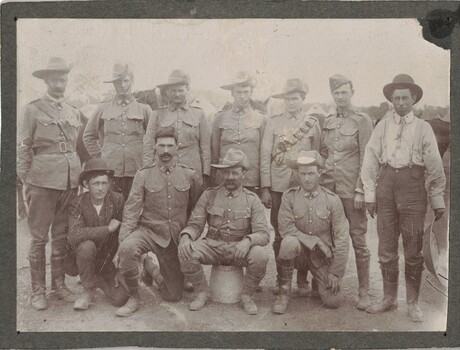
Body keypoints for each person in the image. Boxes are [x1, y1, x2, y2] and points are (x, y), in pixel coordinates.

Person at [361, 74, 446, 322]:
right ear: (390, 100)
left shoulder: (423, 128)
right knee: (386, 247)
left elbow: (434, 164)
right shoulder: (382, 126)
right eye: (396, 98)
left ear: (414, 99)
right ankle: (388, 300)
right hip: (386, 186)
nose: (400, 103)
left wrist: (437, 198)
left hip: (412, 188)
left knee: (412, 248)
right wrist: (369, 194)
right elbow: (370, 159)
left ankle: (412, 303)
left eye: (404, 98)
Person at [113, 127, 203, 317]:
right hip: (148, 231)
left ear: (177, 148)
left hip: (174, 237)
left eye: (170, 146)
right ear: (154, 147)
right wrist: (122, 244)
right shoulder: (143, 175)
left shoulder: (190, 175)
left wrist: (188, 235)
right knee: (128, 248)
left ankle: (150, 267)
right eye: (161, 146)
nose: (165, 151)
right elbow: (131, 210)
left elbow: (195, 212)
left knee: (172, 295)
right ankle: (134, 296)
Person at [17, 57, 83, 310]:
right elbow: (22, 146)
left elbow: (76, 146)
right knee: (38, 238)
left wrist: (77, 176)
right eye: (55, 79)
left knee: (61, 235)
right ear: (46, 81)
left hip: (69, 181)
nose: (60, 83)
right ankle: (38, 291)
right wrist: (26, 178)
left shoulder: (73, 111)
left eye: (63, 79)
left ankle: (59, 286)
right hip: (42, 182)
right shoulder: (32, 110)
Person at [178, 149, 270, 315]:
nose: (230, 177)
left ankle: (247, 296)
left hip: (239, 248)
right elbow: (196, 223)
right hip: (213, 246)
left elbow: (263, 234)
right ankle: (202, 292)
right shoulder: (209, 195)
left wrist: (248, 241)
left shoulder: (252, 199)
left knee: (260, 256)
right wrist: (186, 236)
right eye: (226, 172)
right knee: (185, 251)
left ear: (244, 173)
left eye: (235, 173)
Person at [260, 78, 321, 293]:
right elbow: (265, 154)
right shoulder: (274, 122)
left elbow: (317, 155)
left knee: (305, 230)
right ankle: (282, 279)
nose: (291, 102)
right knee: (280, 233)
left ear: (303, 99)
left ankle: (302, 280)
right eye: (288, 98)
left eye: (295, 98)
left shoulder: (312, 123)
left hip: (305, 185)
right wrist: (265, 187)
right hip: (279, 185)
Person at [272, 151, 350, 314]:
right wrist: (316, 241)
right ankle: (283, 293)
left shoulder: (332, 200)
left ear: (319, 173)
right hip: (298, 254)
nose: (306, 178)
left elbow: (342, 237)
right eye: (303, 174)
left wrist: (336, 272)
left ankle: (317, 281)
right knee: (288, 242)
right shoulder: (289, 197)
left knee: (333, 301)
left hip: (321, 258)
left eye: (311, 174)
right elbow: (285, 228)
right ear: (297, 174)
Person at [320, 74, 374, 310]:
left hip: (352, 192)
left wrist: (361, 189)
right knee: (330, 239)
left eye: (344, 92)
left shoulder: (362, 120)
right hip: (330, 190)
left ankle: (363, 291)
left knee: (358, 240)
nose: (340, 97)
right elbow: (324, 153)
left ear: (353, 92)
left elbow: (368, 157)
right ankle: (329, 285)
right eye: (336, 93)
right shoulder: (328, 120)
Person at [83, 62, 153, 200]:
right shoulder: (103, 107)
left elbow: (154, 139)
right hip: (111, 171)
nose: (121, 85)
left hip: (137, 170)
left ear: (132, 81)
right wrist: (100, 157)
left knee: (135, 208)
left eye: (125, 81)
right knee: (110, 208)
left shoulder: (144, 109)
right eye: (117, 82)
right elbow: (88, 136)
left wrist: (147, 163)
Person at [65, 158, 128, 310]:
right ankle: (88, 290)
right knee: (86, 246)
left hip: (108, 259)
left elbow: (125, 232)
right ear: (86, 184)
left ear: (109, 183)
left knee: (120, 299)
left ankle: (97, 279)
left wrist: (120, 268)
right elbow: (74, 234)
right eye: (96, 184)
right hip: (85, 256)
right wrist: (107, 229)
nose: (100, 188)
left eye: (104, 183)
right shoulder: (77, 202)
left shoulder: (117, 200)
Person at [143, 69, 211, 187]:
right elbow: (148, 146)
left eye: (180, 90)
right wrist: (147, 172)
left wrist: (206, 174)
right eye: (173, 90)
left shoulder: (199, 114)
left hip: (192, 173)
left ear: (187, 90)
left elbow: (205, 148)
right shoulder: (157, 114)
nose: (177, 94)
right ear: (168, 91)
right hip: (164, 171)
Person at [211, 71, 267, 193]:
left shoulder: (261, 119)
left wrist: (265, 187)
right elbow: (214, 153)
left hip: (251, 180)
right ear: (232, 93)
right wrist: (212, 179)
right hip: (225, 179)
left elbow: (264, 155)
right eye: (238, 92)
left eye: (246, 92)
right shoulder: (220, 118)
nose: (242, 96)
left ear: (251, 92)